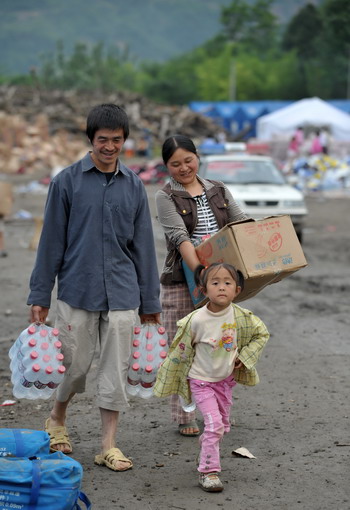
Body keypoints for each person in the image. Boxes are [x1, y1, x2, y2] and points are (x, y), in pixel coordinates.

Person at [27, 104, 161, 472]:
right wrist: (40, 295)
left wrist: (150, 301)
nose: (110, 147)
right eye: (103, 140)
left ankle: (108, 445)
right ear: (91, 140)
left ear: (125, 142)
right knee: (75, 365)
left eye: (117, 140)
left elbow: (143, 247)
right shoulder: (66, 182)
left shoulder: (134, 185)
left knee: (115, 371)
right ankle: (57, 418)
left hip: (122, 293)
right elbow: (51, 242)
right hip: (77, 290)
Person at [155, 134, 249, 437]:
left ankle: (217, 411)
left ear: (197, 157)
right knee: (184, 348)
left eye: (188, 160)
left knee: (220, 348)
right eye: (175, 164)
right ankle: (185, 416)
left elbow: (239, 221)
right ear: (166, 166)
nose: (184, 168)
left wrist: (259, 237)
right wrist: (202, 278)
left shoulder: (219, 189)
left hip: (219, 281)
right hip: (184, 281)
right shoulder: (166, 196)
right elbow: (179, 238)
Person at [154, 262, 269, 492]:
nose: (222, 288)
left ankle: (206, 451)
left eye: (228, 283)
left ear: (237, 290)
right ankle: (209, 472)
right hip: (201, 382)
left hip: (225, 382)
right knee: (214, 425)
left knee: (222, 426)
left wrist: (245, 357)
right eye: (215, 283)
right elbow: (181, 350)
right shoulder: (196, 320)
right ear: (203, 290)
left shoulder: (241, 317)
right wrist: (174, 374)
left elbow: (261, 334)